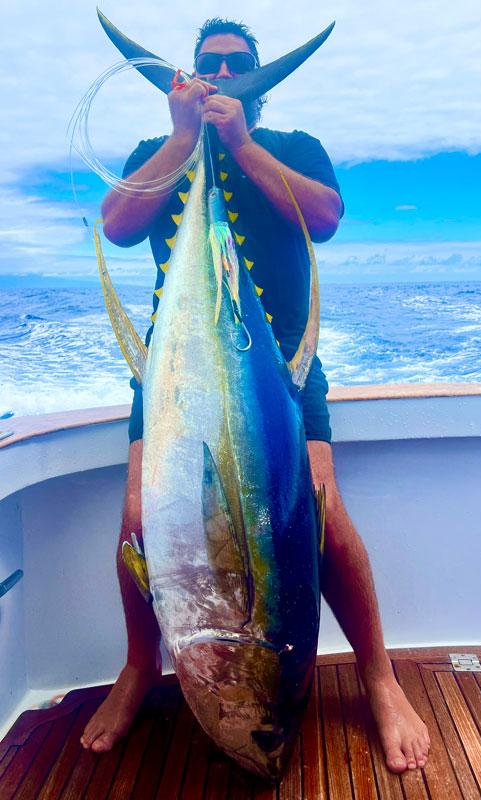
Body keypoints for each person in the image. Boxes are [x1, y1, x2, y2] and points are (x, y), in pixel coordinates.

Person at [80, 18, 430, 773]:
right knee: (139, 516)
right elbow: (117, 225)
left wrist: (239, 144)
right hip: (175, 376)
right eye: (210, 66)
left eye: (240, 66)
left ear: (262, 82)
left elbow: (327, 219)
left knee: (323, 507)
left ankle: (379, 677)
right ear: (188, 76)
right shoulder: (155, 154)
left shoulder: (292, 148)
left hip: (283, 376)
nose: (224, 75)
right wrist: (182, 140)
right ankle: (140, 667)